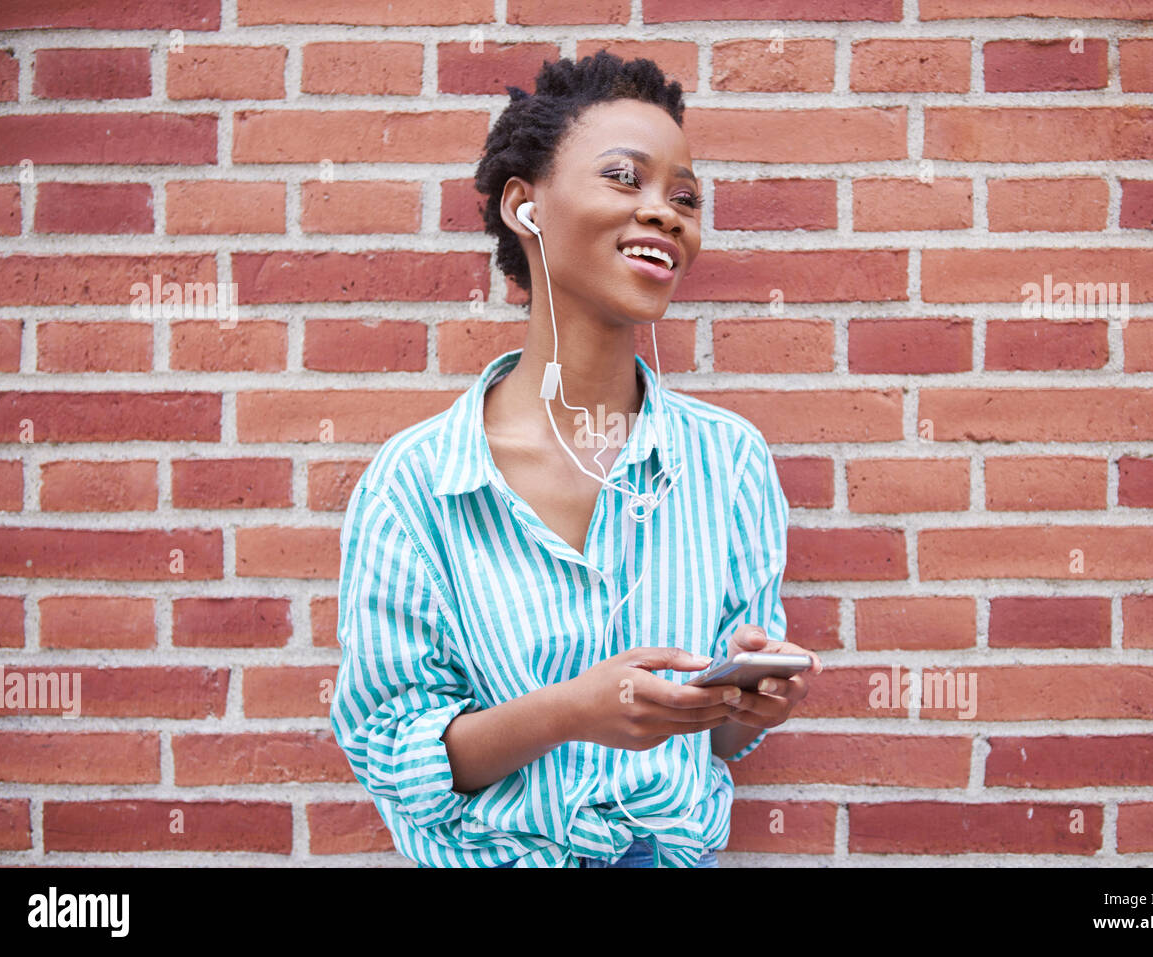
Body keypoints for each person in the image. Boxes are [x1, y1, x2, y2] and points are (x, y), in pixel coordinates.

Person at [331, 50, 823, 869]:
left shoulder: (729, 462)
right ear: (525, 209)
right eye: (625, 178)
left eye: (686, 197)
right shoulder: (418, 481)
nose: (666, 213)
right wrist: (569, 712)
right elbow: (392, 755)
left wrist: (752, 707)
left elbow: (721, 743)